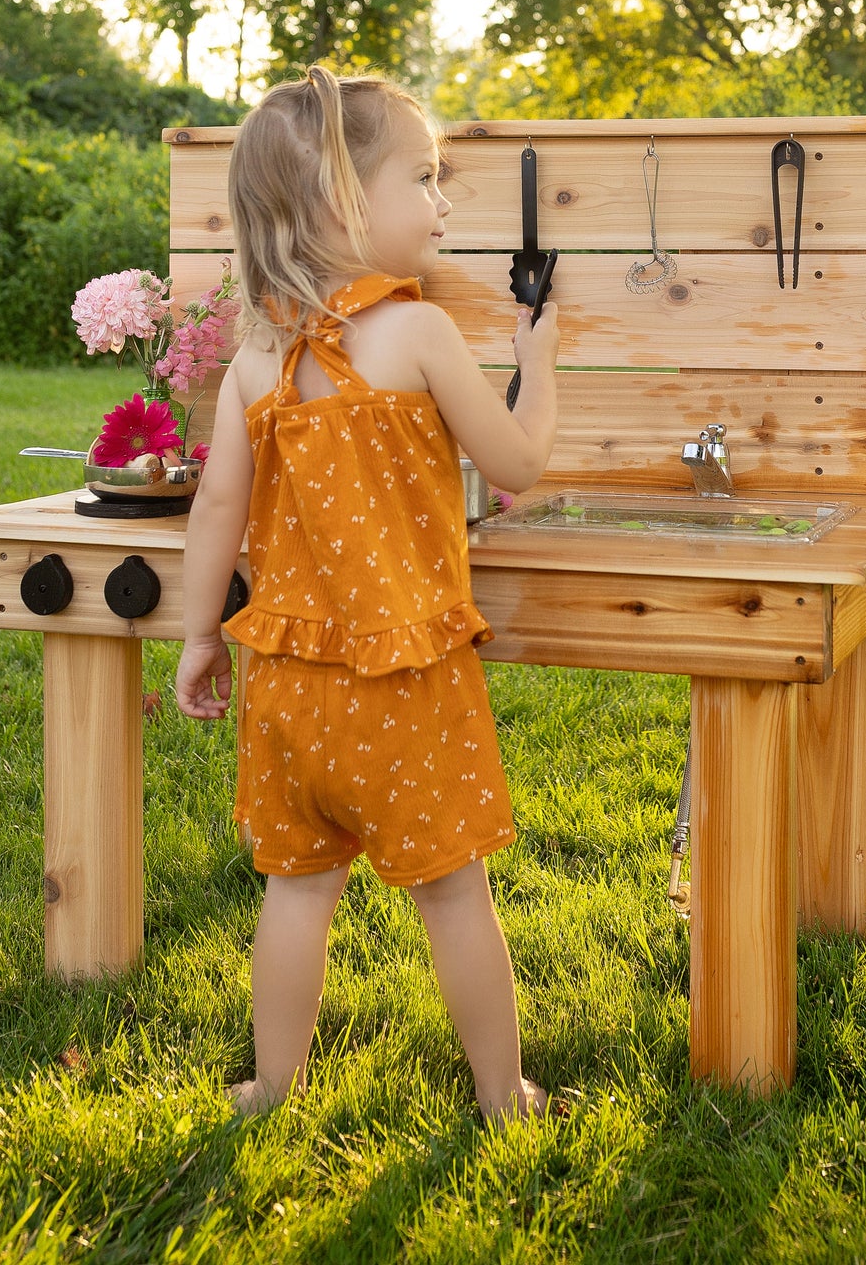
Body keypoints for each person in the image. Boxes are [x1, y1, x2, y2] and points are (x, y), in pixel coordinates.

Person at [174, 69, 560, 1123]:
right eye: (424, 177)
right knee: (451, 893)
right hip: (405, 684)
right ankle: (501, 1091)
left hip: (289, 683)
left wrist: (196, 638)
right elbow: (516, 459)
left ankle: (272, 1085)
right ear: (346, 203)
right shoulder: (419, 330)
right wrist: (540, 359)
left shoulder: (256, 355)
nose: (441, 201)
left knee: (297, 888)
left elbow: (215, 510)